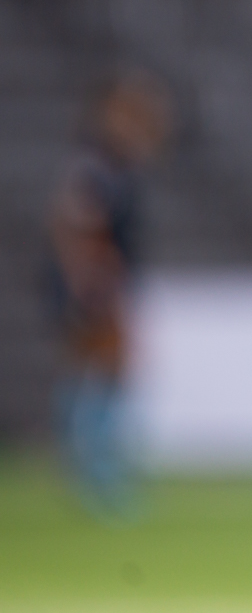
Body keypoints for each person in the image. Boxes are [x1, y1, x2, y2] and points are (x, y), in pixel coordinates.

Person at [46, 71, 173, 518]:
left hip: (102, 281)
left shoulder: (110, 166)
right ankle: (96, 473)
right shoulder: (96, 166)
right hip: (97, 283)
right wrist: (91, 281)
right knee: (105, 372)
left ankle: (91, 468)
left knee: (95, 374)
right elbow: (77, 226)